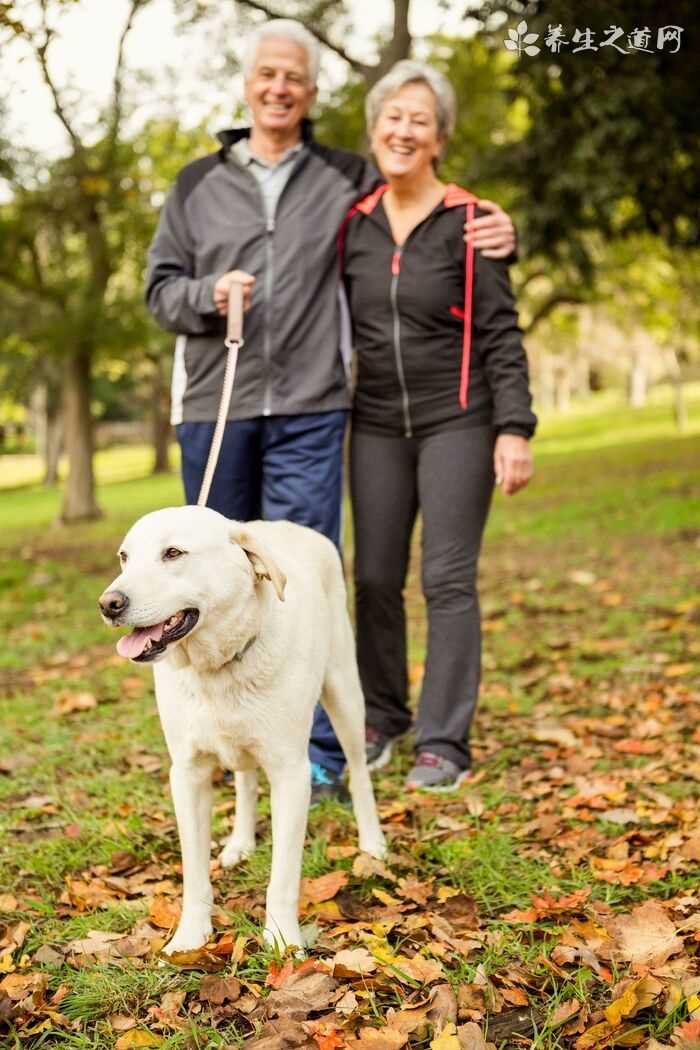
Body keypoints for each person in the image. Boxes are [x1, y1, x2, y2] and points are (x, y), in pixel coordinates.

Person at [145, 21, 518, 802]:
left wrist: (503, 228)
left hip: (318, 410)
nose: (280, 88)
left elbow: (436, 212)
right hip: (226, 407)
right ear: (249, 84)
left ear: (312, 95)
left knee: (301, 586)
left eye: (296, 78)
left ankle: (319, 752)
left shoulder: (343, 178)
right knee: (210, 584)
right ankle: (216, 743)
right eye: (268, 75)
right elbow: (158, 290)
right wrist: (204, 296)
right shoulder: (197, 185)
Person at [342, 60, 536, 790]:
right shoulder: (353, 226)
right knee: (373, 576)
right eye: (393, 116)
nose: (403, 129)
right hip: (377, 424)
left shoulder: (471, 222)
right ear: (374, 128)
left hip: (459, 419)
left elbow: (501, 334)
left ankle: (444, 741)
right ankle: (382, 715)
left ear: (440, 138)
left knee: (447, 578)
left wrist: (513, 427)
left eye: (419, 119)